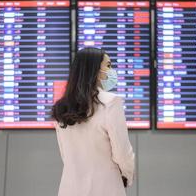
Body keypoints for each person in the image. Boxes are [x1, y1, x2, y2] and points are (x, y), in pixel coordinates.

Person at [52, 47, 135, 196]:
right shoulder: (111, 102)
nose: (112, 71)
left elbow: (65, 155)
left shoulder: (61, 107)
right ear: (94, 70)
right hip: (105, 188)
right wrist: (127, 176)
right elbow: (122, 153)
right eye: (108, 66)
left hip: (69, 189)